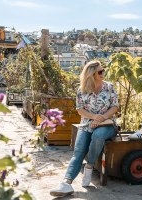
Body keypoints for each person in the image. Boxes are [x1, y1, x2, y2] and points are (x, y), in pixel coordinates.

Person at [50, 60, 119, 197]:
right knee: (79, 151)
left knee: (98, 136)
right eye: (100, 71)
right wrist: (93, 117)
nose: (103, 73)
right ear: (91, 74)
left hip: (107, 124)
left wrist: (101, 118)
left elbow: (115, 107)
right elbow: (80, 110)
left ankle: (90, 165)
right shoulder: (81, 90)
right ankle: (66, 183)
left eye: (103, 70)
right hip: (87, 124)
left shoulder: (109, 87)